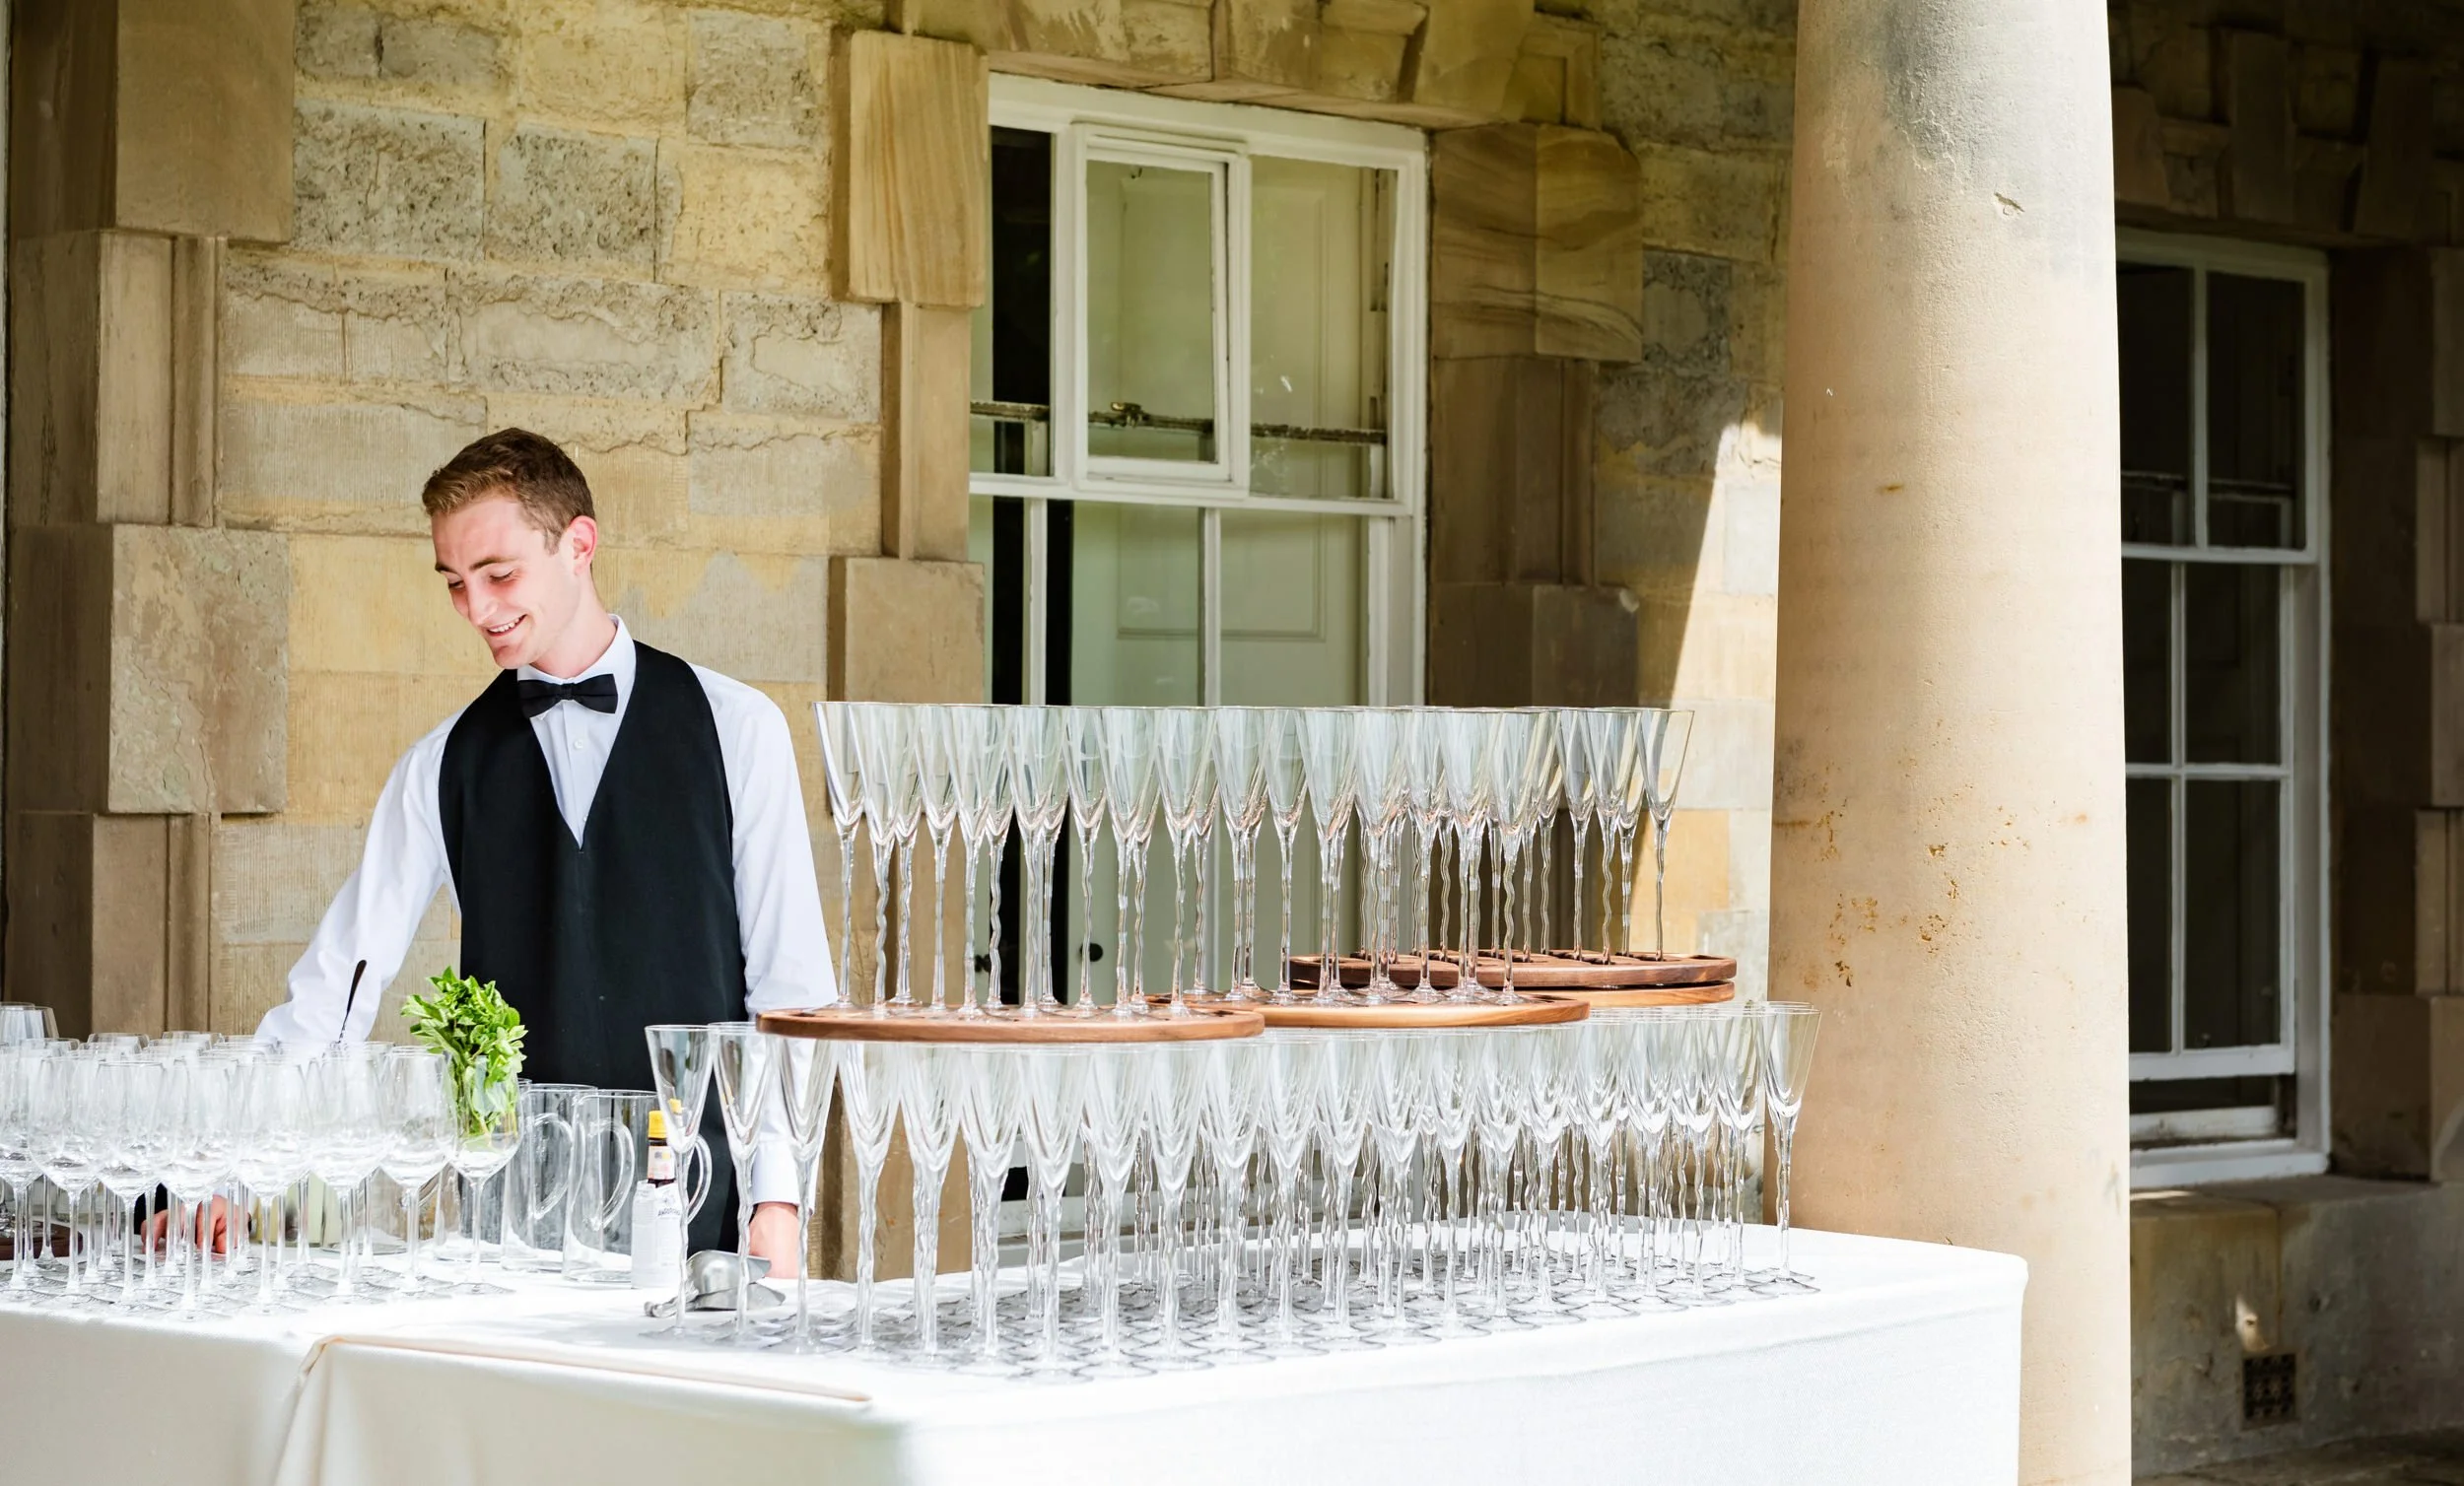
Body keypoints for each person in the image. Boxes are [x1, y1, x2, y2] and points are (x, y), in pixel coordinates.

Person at [254, 428, 836, 1270]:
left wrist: (777, 1204)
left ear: (579, 546)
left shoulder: (738, 728)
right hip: (514, 1233)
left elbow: (791, 996)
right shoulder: (442, 764)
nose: (477, 609)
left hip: (705, 1222)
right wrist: (232, 1177)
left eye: (498, 574)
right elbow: (336, 991)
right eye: (454, 583)